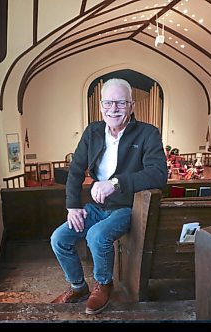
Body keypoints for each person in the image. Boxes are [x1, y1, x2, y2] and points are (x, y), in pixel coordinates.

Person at [50, 78, 168, 315]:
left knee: (96, 235)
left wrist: (115, 183)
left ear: (132, 106)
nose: (113, 109)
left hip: (127, 207)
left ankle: (103, 283)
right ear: (101, 105)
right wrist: (73, 206)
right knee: (59, 238)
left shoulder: (147, 133)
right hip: (96, 207)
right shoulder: (92, 132)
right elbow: (75, 171)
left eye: (121, 103)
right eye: (108, 103)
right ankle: (78, 286)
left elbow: (158, 174)